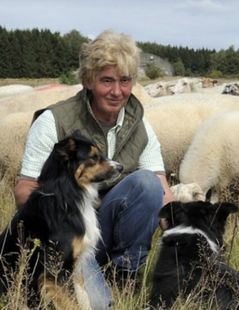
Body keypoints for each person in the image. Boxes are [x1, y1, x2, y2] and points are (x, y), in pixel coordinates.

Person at [14, 29, 175, 309]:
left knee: (147, 183)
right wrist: (60, 242)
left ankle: (124, 274)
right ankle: (87, 275)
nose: (117, 91)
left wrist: (180, 240)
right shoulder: (54, 122)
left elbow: (162, 190)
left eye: (125, 81)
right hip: (66, 236)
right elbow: (25, 189)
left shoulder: (141, 127)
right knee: (97, 306)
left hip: (105, 229)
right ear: (88, 80)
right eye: (107, 80)